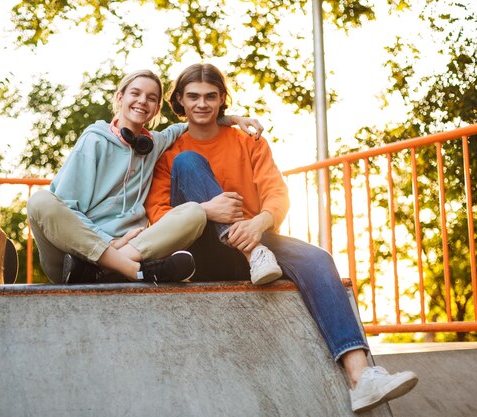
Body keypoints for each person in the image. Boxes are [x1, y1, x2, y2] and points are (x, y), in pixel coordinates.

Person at [144, 63, 418, 413]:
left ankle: (360, 377)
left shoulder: (248, 140)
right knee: (190, 164)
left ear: (222, 99)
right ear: (179, 100)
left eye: (210, 96)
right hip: (200, 249)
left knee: (319, 258)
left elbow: (276, 192)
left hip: (258, 245)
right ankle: (251, 250)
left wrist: (260, 223)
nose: (202, 104)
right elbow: (159, 215)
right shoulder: (169, 150)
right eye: (193, 96)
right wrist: (206, 212)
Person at [27, 69, 263, 285]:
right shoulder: (94, 140)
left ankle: (109, 269)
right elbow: (68, 207)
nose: (143, 101)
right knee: (40, 201)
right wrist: (109, 243)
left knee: (195, 212)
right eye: (136, 93)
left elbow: (192, 122)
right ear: (120, 98)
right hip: (75, 258)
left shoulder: (153, 144)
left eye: (151, 98)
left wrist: (233, 119)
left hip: (133, 248)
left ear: (157, 108)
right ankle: (131, 270)